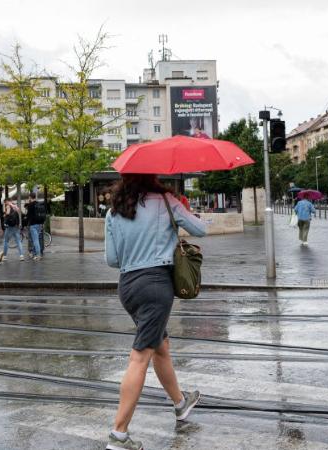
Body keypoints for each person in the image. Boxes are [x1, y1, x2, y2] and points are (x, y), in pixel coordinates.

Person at [104, 174, 206, 450]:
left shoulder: (114, 210)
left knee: (160, 344)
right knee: (140, 357)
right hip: (156, 286)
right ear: (154, 177)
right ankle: (119, 434)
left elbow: (112, 260)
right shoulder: (166, 201)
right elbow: (201, 230)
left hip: (127, 286)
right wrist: (184, 211)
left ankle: (181, 404)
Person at [24, 192, 46, 261]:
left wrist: (25, 224)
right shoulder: (39, 204)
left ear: (30, 197)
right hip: (39, 224)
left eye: (29, 197)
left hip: (33, 225)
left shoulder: (30, 205)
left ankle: (38, 255)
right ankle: (34, 253)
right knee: (36, 240)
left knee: (35, 240)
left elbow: (28, 216)